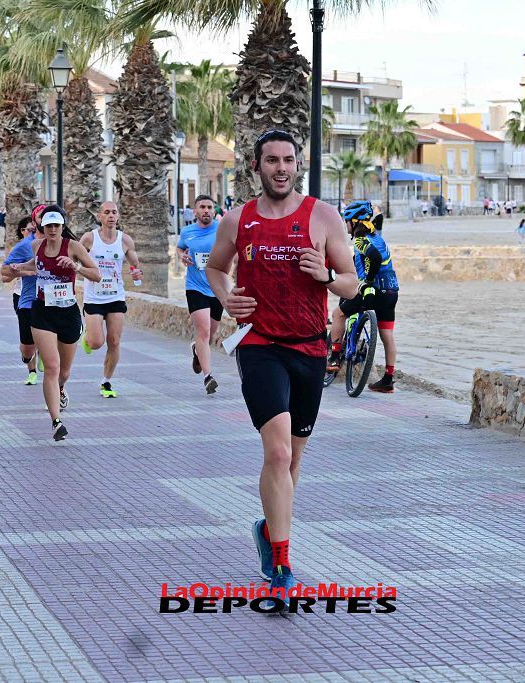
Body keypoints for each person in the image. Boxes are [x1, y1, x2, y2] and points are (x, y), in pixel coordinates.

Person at [205, 129, 359, 605]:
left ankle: (269, 526)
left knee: (292, 461)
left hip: (310, 350)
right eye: (271, 160)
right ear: (256, 166)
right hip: (259, 346)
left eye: (288, 160)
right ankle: (282, 564)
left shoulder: (323, 217)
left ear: (298, 165)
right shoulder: (238, 220)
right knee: (275, 455)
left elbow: (353, 285)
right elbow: (214, 267)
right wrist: (225, 295)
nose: (280, 168)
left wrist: (327, 277)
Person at [7, 208, 100, 440]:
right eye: (48, 226)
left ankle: (59, 388)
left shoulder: (74, 247)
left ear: (62, 226)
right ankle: (56, 421)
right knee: (51, 366)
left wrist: (75, 266)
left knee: (64, 371)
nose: (52, 230)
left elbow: (96, 275)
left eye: (56, 226)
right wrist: (19, 269)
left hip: (67, 313)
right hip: (42, 311)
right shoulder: (37, 246)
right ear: (43, 228)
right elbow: (33, 265)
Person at [327, 200, 400, 393]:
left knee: (338, 314)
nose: (346, 225)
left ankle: (334, 357)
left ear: (354, 221)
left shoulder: (361, 240)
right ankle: (388, 379)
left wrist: (367, 280)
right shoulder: (379, 238)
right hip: (392, 291)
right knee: (387, 335)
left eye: (347, 221)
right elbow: (366, 260)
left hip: (373, 290)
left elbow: (374, 258)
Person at [79, 201, 143, 398]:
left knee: (114, 341)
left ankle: (106, 382)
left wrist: (136, 273)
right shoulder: (89, 238)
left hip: (116, 296)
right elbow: (74, 257)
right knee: (97, 342)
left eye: (114, 212)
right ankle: (88, 338)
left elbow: (134, 263)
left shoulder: (125, 241)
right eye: (106, 212)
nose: (111, 216)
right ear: (99, 216)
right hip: (94, 297)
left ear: (118, 216)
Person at [177, 194, 223, 394]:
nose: (206, 210)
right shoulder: (187, 231)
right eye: (202, 207)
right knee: (203, 331)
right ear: (195, 211)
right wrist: (183, 256)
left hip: (217, 287)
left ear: (214, 210)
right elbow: (180, 249)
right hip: (195, 287)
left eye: (210, 207)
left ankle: (197, 349)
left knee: (211, 334)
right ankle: (208, 376)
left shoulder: (222, 229)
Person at [1, 211, 43, 386]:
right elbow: (5, 276)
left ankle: (42, 359)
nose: (29, 231)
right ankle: (30, 364)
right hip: (22, 296)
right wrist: (24, 271)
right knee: (29, 342)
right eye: (26, 229)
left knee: (43, 333)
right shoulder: (23, 247)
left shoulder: (57, 242)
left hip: (45, 299)